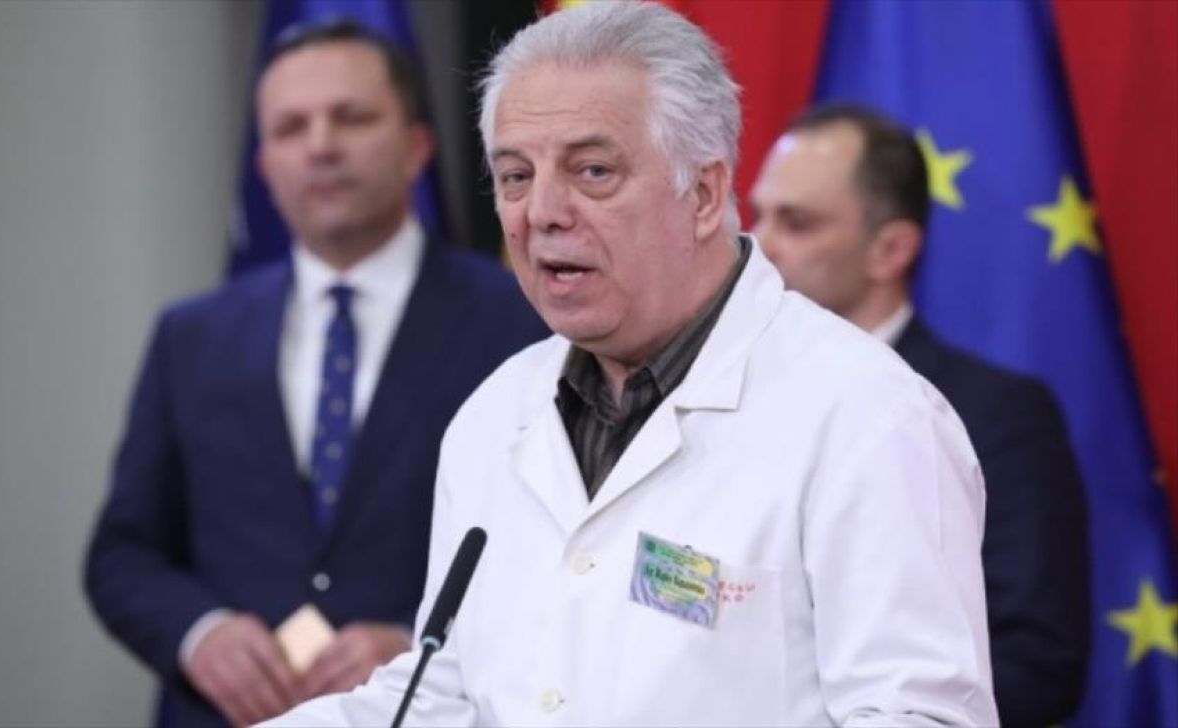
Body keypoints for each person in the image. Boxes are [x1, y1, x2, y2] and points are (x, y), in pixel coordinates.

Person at [263, 3, 999, 726]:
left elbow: (922, 717)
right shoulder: (494, 413)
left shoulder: (868, 416)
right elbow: (447, 694)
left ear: (703, 193)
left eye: (592, 171)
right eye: (515, 176)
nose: (541, 212)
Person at [83, 19, 546, 728]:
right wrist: (200, 634)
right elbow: (122, 553)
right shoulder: (191, 336)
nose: (321, 145)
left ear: (416, 147)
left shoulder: (522, 323)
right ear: (264, 164)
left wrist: (421, 644)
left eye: (351, 117)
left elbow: (561, 555)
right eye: (291, 127)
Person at [749, 103, 1090, 726]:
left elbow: (1036, 661)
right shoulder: (724, 397)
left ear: (891, 250)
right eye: (758, 216)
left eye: (795, 223)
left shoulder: (997, 414)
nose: (758, 247)